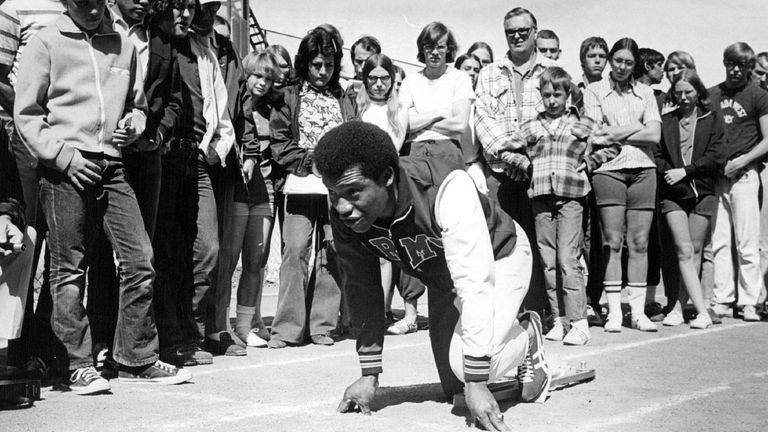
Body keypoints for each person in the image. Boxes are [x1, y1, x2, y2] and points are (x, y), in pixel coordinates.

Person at [317, 121, 551, 431]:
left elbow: (474, 280)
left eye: (353, 192)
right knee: (454, 383)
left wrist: (479, 382)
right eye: (334, 193)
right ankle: (491, 350)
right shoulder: (345, 210)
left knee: (471, 367)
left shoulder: (445, 186)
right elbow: (362, 287)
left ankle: (527, 335)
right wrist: (369, 373)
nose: (342, 206)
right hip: (444, 277)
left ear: (387, 177)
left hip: (499, 258)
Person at [14, 0, 191, 394]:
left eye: (97, 0)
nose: (92, 8)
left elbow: (138, 104)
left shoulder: (124, 44)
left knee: (140, 259)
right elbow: (26, 113)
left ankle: (136, 357)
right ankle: (77, 364)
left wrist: (135, 123)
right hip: (65, 166)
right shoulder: (45, 42)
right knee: (69, 269)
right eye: (82, 1)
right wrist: (63, 157)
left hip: (112, 164)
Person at [501, 66, 620, 345]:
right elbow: (504, 149)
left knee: (568, 259)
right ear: (540, 96)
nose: (552, 100)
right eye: (546, 95)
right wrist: (525, 163)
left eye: (557, 94)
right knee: (548, 262)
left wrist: (589, 163)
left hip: (572, 197)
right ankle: (559, 320)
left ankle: (579, 321)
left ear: (568, 94)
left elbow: (613, 145)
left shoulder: (582, 123)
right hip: (541, 197)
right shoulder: (531, 126)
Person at [151, 0, 235, 366]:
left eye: (199, 8)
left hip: (197, 161)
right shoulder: (159, 44)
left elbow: (222, 115)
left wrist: (213, 151)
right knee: (168, 251)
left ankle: (194, 332)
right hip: (165, 160)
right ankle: (171, 338)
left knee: (207, 250)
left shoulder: (205, 53)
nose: (190, 15)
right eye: (184, 7)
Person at [268, 25, 355, 348]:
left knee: (332, 253)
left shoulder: (343, 97)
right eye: (317, 64)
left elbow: (352, 137)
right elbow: (279, 143)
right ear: (305, 62)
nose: (323, 71)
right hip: (300, 186)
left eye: (329, 65)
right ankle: (287, 329)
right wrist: (309, 163)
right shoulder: (289, 95)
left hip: (335, 189)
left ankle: (322, 325)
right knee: (295, 250)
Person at [475, 7, 557, 318]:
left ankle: (539, 312)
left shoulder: (553, 72)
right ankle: (507, 314)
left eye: (524, 30)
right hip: (502, 172)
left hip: (541, 172)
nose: (518, 36)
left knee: (541, 245)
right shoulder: (490, 73)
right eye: (511, 31)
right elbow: (484, 120)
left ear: (536, 31)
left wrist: (531, 156)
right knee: (505, 244)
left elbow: (559, 119)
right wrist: (512, 154)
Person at [583, 37, 662, 333]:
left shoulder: (645, 92)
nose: (622, 67)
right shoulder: (594, 91)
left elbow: (654, 135)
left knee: (640, 242)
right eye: (618, 60)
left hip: (644, 170)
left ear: (635, 65)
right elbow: (595, 136)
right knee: (611, 242)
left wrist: (615, 132)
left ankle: (637, 312)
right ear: (611, 60)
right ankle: (615, 312)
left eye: (628, 63)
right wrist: (636, 127)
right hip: (609, 171)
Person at [216, 50, 279, 348]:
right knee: (228, 258)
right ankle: (220, 323)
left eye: (268, 78)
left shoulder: (273, 109)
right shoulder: (235, 101)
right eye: (257, 75)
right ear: (246, 74)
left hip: (263, 188)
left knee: (255, 258)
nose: (262, 82)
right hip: (238, 186)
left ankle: (244, 324)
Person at [654, 70, 726, 329]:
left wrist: (686, 171)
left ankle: (677, 308)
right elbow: (658, 154)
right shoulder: (667, 120)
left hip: (702, 191)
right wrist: (670, 173)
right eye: (679, 92)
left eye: (689, 92)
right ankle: (702, 312)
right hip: (673, 194)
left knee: (694, 253)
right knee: (684, 250)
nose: (684, 97)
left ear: (699, 92)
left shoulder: (712, 119)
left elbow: (717, 155)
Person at [355, 53, 420, 335]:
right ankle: (366, 313)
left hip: (387, 182)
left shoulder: (400, 106)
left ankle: (385, 312)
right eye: (373, 78)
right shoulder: (358, 107)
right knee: (363, 250)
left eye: (384, 78)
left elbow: (393, 144)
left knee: (387, 252)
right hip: (361, 183)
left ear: (392, 80)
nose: (379, 84)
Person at [708, 42, 768, 321]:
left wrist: (743, 161)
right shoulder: (712, 94)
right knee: (720, 241)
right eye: (731, 64)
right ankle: (723, 297)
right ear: (724, 63)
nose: (735, 70)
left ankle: (749, 301)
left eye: (742, 66)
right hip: (719, 176)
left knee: (747, 242)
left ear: (748, 68)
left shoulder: (758, 95)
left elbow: (767, 139)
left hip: (745, 174)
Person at [399, 21, 473, 169]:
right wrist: (439, 113)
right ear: (422, 49)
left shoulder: (460, 79)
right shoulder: (410, 81)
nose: (434, 52)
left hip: (448, 152)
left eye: (440, 46)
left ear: (448, 49)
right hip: (414, 152)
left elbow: (459, 125)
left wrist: (419, 121)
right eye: (429, 47)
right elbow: (403, 124)